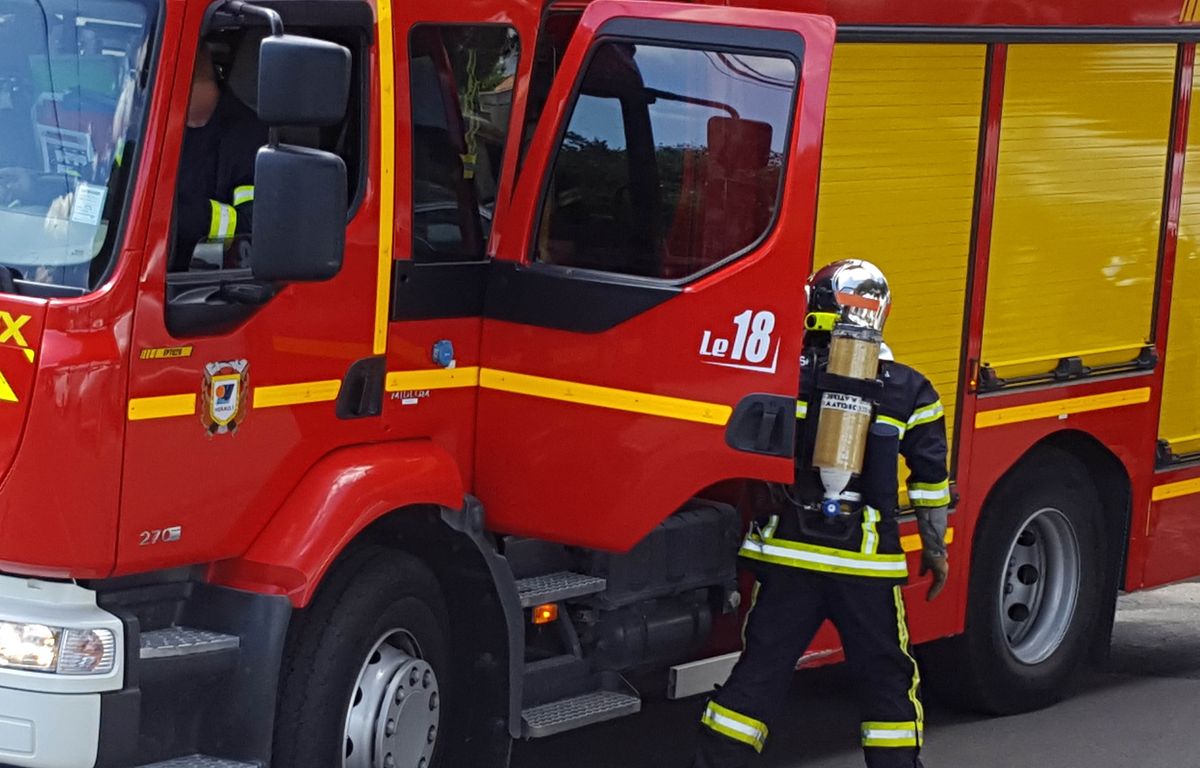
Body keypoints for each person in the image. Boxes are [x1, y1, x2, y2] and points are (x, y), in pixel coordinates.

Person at [692, 259, 950, 768]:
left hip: (787, 557)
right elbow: (930, 487)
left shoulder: (783, 377)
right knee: (886, 679)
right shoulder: (909, 390)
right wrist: (936, 552)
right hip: (866, 567)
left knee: (760, 671)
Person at [173, 41, 267, 268]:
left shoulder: (249, 137)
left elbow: (254, 225)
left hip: (208, 283)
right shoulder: (151, 126)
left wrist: (175, 213)